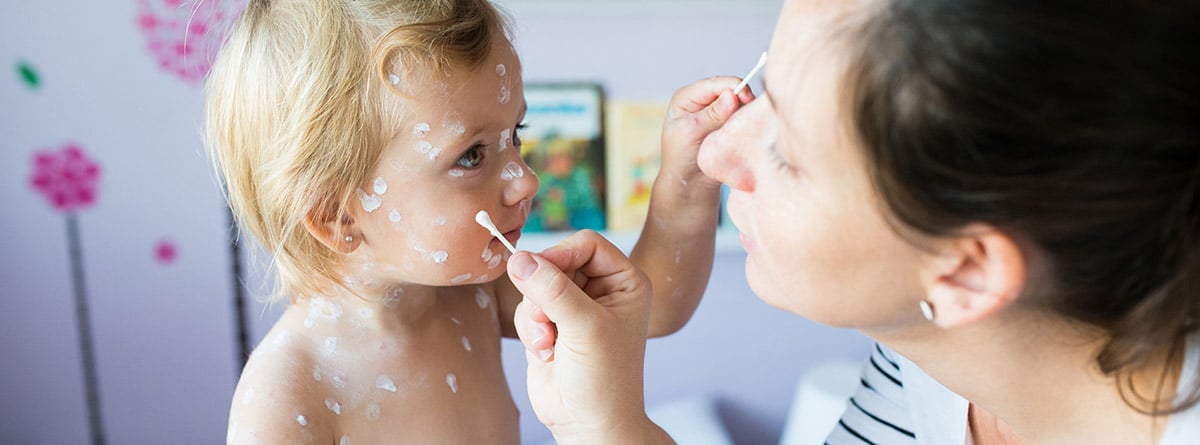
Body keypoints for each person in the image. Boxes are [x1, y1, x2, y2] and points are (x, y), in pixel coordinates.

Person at [506, 0, 1200, 443]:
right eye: (764, 93)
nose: (714, 153)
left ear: (964, 269)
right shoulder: (925, 361)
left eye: (788, 153)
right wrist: (606, 424)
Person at [204, 0, 751, 443]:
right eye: (471, 156)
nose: (526, 180)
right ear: (339, 218)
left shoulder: (474, 294)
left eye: (517, 134)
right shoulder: (287, 399)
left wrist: (688, 177)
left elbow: (649, 309)